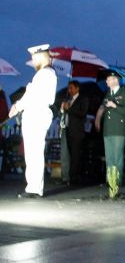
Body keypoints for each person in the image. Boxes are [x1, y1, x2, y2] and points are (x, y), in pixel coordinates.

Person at [8, 44, 57, 198]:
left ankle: (34, 188)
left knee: (34, 152)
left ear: (41, 56)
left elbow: (32, 96)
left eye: (34, 57)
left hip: (37, 114)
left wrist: (17, 105)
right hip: (35, 114)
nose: (33, 60)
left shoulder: (45, 74)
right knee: (32, 152)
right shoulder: (44, 74)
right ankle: (33, 187)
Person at [95, 70, 125, 186]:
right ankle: (109, 180)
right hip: (108, 129)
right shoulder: (108, 94)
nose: (106, 81)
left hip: (118, 129)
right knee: (109, 157)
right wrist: (97, 120)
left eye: (108, 79)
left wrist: (115, 106)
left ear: (115, 80)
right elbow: (102, 108)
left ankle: (117, 181)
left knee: (117, 157)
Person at [58, 80, 88, 185]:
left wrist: (69, 109)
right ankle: (68, 177)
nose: (69, 90)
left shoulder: (83, 99)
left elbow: (82, 113)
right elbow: (63, 114)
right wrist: (63, 109)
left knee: (76, 155)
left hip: (77, 132)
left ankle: (74, 178)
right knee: (68, 155)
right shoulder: (68, 99)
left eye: (71, 88)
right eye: (68, 88)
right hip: (67, 130)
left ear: (77, 88)